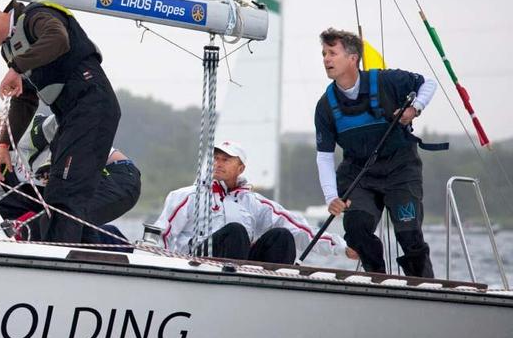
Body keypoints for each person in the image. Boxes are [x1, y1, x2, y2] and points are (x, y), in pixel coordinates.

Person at [0, 0, 120, 244]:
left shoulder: (35, 16)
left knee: (67, 189)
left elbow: (58, 39)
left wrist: (16, 67)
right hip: (70, 115)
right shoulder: (10, 49)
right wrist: (3, 146)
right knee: (56, 190)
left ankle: (59, 257)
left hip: (92, 106)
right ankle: (68, 250)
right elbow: (26, 100)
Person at [314, 27, 444, 278]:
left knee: (409, 234)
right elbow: (324, 155)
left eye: (332, 53)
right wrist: (332, 196)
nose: (326, 59)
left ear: (353, 58)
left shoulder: (387, 80)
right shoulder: (325, 106)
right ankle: (378, 280)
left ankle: (423, 286)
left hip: (400, 169)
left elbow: (428, 83)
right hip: (359, 174)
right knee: (356, 227)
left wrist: (414, 108)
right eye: (323, 54)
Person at [152, 141, 352, 264]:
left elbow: (300, 229)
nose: (218, 163)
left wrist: (342, 248)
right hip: (195, 264)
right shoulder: (186, 196)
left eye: (226, 159)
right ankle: (231, 289)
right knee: (236, 232)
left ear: (241, 168)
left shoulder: (255, 203)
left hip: (240, 269)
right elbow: (163, 234)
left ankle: (268, 294)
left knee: (282, 236)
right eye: (216, 158)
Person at [0, 111, 141, 244]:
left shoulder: (27, 134)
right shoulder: (0, 169)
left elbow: (66, 124)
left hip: (117, 176)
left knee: (63, 222)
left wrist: (53, 160)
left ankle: (116, 246)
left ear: (0, 131)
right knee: (51, 222)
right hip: (81, 186)